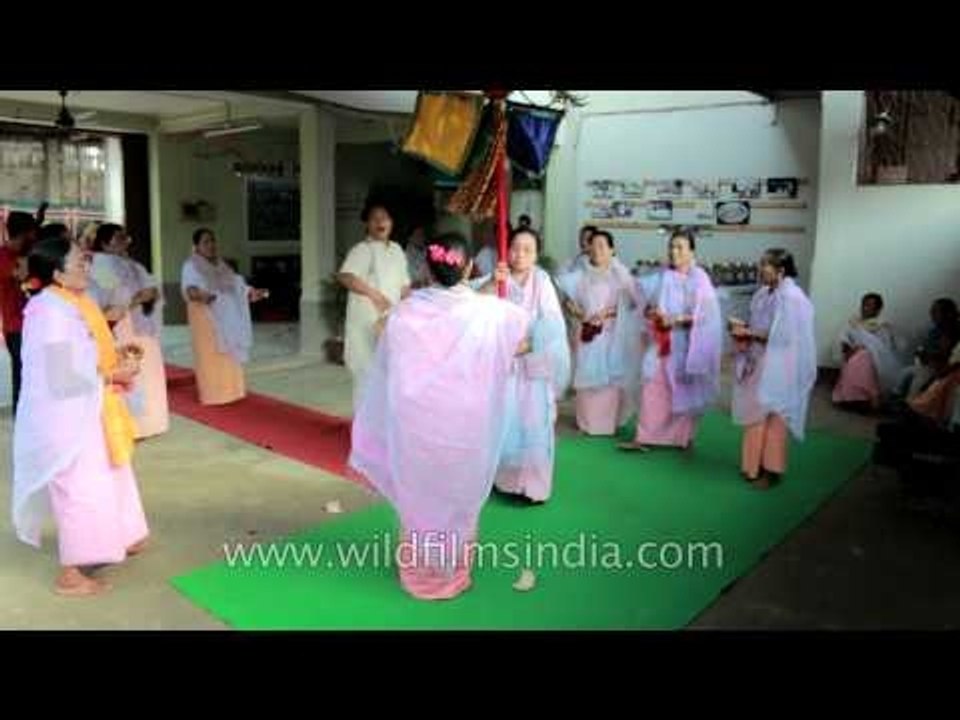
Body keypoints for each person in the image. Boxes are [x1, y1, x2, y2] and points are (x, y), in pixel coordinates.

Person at [349, 232, 530, 600]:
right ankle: (452, 572)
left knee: (422, 491)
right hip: (467, 424)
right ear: (467, 268)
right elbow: (522, 341)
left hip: (419, 423)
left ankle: (421, 575)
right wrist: (499, 291)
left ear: (427, 270)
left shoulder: (406, 312)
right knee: (458, 493)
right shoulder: (490, 312)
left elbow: (387, 340)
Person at [12, 235, 149, 596]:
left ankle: (124, 535)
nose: (86, 267)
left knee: (113, 473)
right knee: (80, 489)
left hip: (94, 404)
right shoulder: (50, 311)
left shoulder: (76, 300)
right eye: (79, 262)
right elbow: (61, 378)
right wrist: (112, 375)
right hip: (69, 417)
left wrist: (119, 356)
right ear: (57, 273)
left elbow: (88, 348)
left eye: (85, 260)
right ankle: (71, 574)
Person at [480, 227, 571, 503]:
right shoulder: (498, 277)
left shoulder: (542, 282)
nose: (519, 254)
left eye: (527, 249)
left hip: (533, 362)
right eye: (515, 247)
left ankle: (534, 487)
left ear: (536, 254)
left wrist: (526, 345)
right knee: (504, 420)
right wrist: (489, 286)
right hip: (504, 365)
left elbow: (553, 323)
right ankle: (505, 480)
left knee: (534, 423)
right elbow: (472, 306)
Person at [620, 228, 722, 452]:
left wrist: (675, 320)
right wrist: (652, 313)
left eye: (680, 247)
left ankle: (682, 439)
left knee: (684, 392)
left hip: (687, 345)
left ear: (691, 251)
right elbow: (643, 301)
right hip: (661, 344)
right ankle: (644, 437)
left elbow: (705, 315)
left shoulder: (699, 278)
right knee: (651, 387)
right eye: (671, 247)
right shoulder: (662, 275)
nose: (674, 252)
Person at [730, 249, 817, 489]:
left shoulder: (792, 297)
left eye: (765, 265)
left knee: (775, 416)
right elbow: (761, 325)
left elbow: (786, 336)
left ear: (781, 270)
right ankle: (752, 466)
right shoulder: (762, 293)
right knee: (755, 414)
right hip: (760, 358)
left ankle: (772, 471)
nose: (760, 269)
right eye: (760, 264)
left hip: (781, 363)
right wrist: (745, 328)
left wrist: (750, 333)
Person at [556, 230, 641, 435]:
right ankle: (586, 423)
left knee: (609, 380)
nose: (597, 249)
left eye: (602, 245)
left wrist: (609, 312)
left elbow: (634, 302)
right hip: (587, 334)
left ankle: (606, 424)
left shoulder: (620, 276)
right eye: (593, 245)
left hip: (612, 335)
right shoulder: (579, 276)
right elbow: (568, 301)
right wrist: (579, 312)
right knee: (586, 379)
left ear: (612, 250)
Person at [89, 223, 169, 437]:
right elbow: (109, 298)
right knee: (129, 372)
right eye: (119, 238)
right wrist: (136, 298)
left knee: (148, 372)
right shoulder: (100, 263)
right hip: (122, 326)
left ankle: (153, 422)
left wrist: (153, 293)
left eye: (126, 237)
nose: (125, 241)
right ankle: (131, 426)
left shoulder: (133, 265)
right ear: (104, 243)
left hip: (142, 325)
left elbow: (151, 286)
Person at [181, 228, 268, 406]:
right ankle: (213, 395)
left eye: (212, 240)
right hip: (205, 317)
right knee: (211, 355)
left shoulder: (221, 265)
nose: (211, 245)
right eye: (205, 242)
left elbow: (237, 284)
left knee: (229, 353)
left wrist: (251, 292)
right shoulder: (191, 265)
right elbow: (189, 288)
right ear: (196, 246)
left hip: (226, 316)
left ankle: (232, 392)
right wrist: (200, 294)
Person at [337, 202, 411, 407]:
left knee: (388, 377)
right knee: (366, 376)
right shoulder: (363, 249)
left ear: (392, 223)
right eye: (375, 218)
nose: (380, 222)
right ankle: (362, 432)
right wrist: (374, 295)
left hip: (389, 324)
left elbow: (404, 287)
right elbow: (345, 276)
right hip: (365, 324)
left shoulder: (397, 249)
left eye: (385, 217)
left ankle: (381, 430)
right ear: (367, 224)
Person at [832, 292, 905, 411]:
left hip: (873, 357)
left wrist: (862, 348)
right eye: (864, 305)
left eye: (870, 306)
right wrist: (847, 347)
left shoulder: (882, 325)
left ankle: (867, 397)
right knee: (855, 359)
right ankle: (849, 397)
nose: (865, 308)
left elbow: (883, 347)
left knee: (860, 360)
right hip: (853, 352)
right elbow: (844, 337)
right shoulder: (854, 322)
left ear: (878, 310)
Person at [1, 211, 38, 414]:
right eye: (32, 234)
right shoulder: (3, 256)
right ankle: (21, 415)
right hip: (16, 326)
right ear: (24, 234)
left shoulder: (28, 251)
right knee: (22, 373)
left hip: (35, 322)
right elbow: (21, 275)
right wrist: (26, 254)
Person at [897, 298, 959, 400]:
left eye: (935, 311)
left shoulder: (952, 331)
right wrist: (922, 354)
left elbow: (946, 355)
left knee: (919, 379)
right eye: (931, 311)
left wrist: (928, 355)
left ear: (947, 314)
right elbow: (927, 350)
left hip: (944, 369)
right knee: (904, 373)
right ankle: (898, 398)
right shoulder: (934, 330)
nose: (931, 315)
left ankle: (912, 405)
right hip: (930, 365)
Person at [405, 225, 431, 289]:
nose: (421, 238)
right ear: (410, 238)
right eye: (418, 235)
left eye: (422, 235)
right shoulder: (404, 255)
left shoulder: (428, 251)